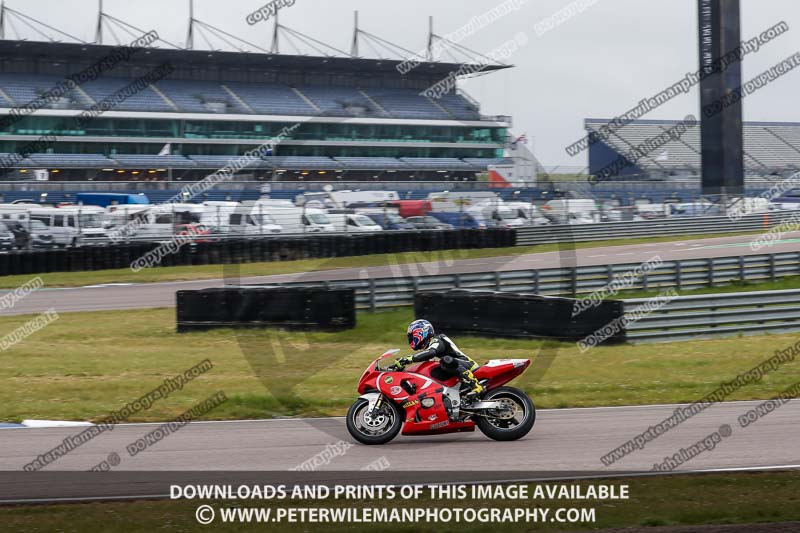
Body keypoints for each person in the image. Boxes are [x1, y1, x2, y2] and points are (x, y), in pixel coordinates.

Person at [393, 319, 484, 402]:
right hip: (456, 368)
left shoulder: (438, 340)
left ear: (421, 332)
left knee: (445, 361)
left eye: (412, 336)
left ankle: (476, 386)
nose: (411, 339)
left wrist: (408, 359)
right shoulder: (430, 346)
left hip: (468, 365)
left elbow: (431, 352)